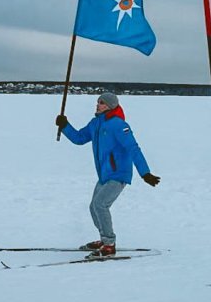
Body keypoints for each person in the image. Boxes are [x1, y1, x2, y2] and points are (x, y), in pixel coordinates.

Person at [55, 92, 160, 257]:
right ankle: (104, 240)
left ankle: (109, 244)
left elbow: (133, 148)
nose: (98, 105)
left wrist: (145, 173)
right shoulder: (95, 123)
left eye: (102, 103)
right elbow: (79, 138)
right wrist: (65, 125)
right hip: (104, 175)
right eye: (98, 102)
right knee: (94, 207)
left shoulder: (118, 125)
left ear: (110, 106)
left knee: (100, 205)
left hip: (118, 174)